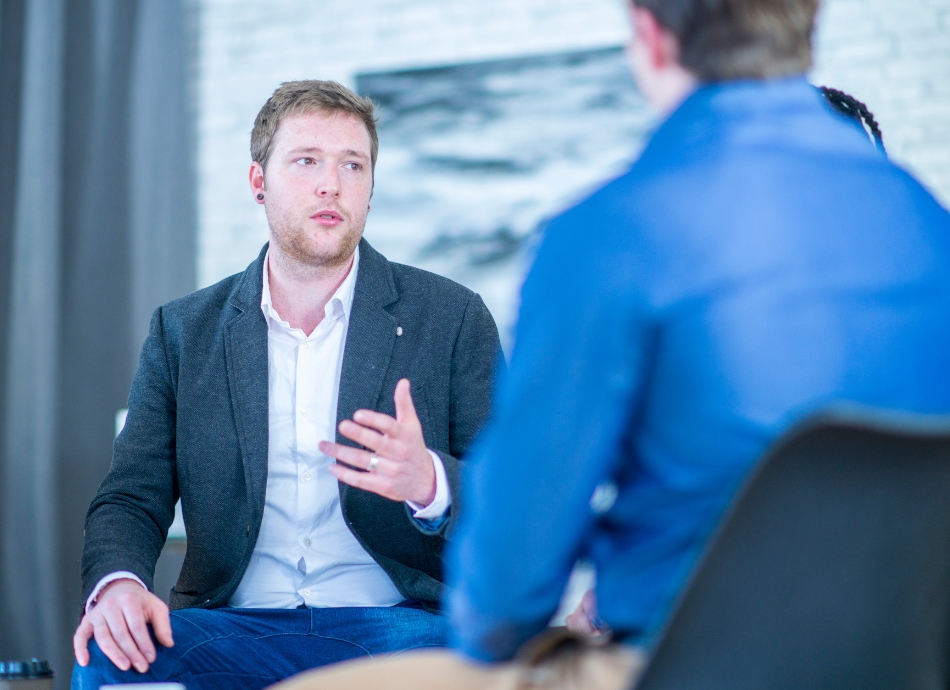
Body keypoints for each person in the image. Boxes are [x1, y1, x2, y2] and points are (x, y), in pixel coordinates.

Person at [274, 0, 950, 688]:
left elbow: (505, 601)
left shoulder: (608, 233)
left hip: (693, 667)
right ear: (806, 32)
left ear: (650, 37)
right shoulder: (929, 224)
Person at [71, 80, 502, 690]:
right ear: (258, 183)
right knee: (109, 658)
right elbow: (130, 496)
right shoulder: (184, 330)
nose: (332, 184)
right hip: (236, 624)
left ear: (370, 191)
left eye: (353, 165)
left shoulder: (452, 317)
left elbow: (517, 492)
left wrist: (430, 482)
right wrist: (117, 585)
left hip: (401, 625)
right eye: (307, 162)